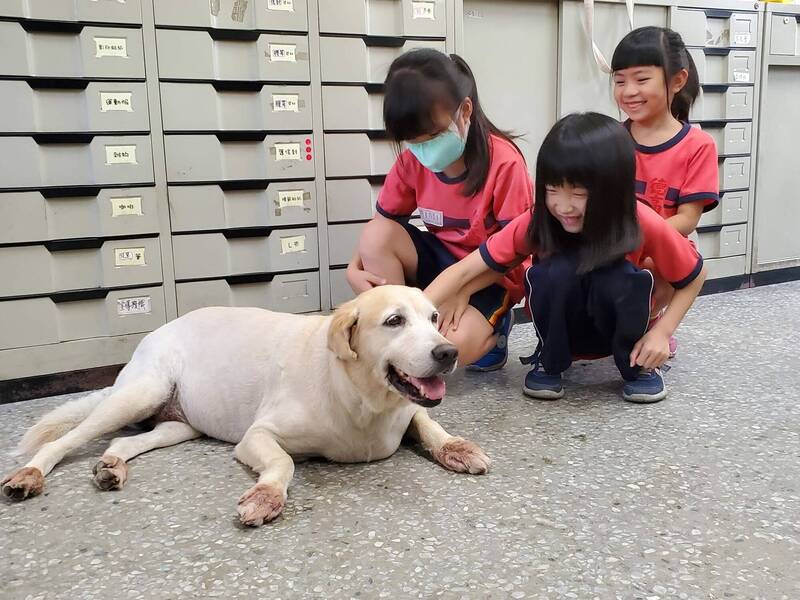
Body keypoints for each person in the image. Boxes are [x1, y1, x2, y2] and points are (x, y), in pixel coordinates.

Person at [425, 112, 707, 403]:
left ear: (613, 190)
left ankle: (639, 368)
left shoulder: (639, 220)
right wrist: (414, 314)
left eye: (578, 193)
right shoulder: (538, 220)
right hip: (560, 332)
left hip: (618, 327)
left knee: (621, 277)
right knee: (555, 271)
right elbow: (464, 270)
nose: (563, 206)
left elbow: (695, 275)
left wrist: (662, 332)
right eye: (552, 190)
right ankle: (549, 362)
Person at [346, 48, 533, 370]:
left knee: (446, 351)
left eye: (432, 136)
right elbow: (381, 227)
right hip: (441, 265)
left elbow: (514, 251)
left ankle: (496, 333)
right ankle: (400, 325)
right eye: (413, 141)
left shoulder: (504, 163)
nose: (423, 150)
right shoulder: (411, 163)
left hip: (491, 275)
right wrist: (353, 268)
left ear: (465, 111)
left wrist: (460, 288)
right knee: (377, 235)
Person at [612, 26, 720, 357]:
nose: (629, 91)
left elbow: (687, 219)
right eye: (619, 81)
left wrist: (637, 241)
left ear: (676, 81)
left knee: (646, 271)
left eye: (641, 79)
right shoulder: (611, 138)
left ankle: (653, 328)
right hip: (611, 242)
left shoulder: (698, 145)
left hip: (657, 249)